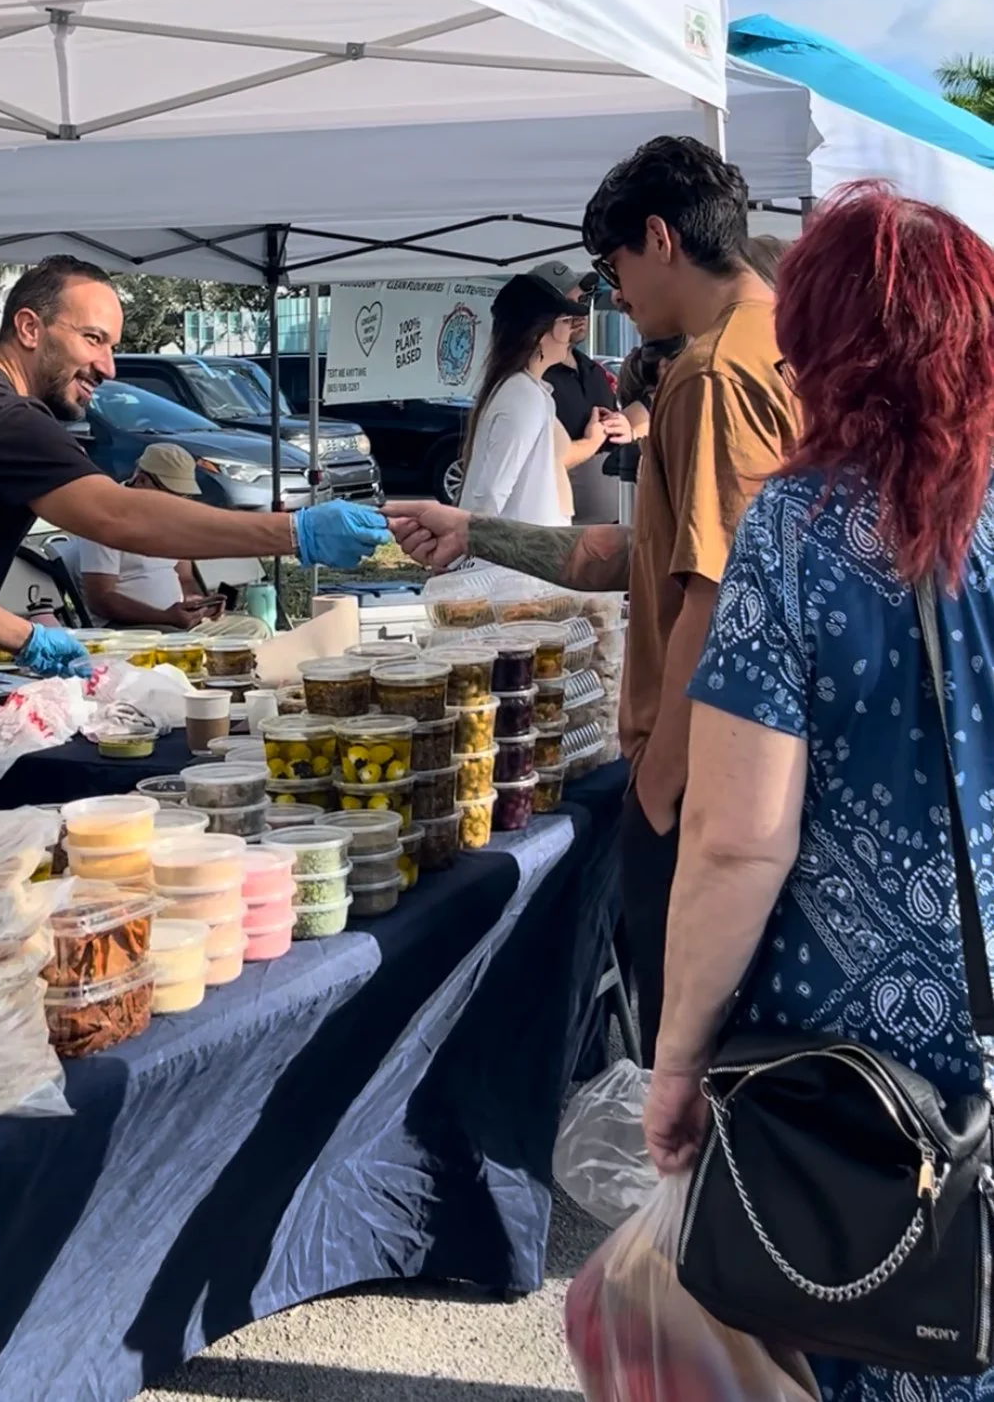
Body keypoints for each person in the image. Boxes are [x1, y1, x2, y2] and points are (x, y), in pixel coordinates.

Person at [643, 186, 994, 1402]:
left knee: (886, 1334)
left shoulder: (797, 528)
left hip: (856, 1072)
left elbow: (739, 840)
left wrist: (677, 1062)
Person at [392, 136, 798, 1059]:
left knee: (688, 1072)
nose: (613, 295)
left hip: (705, 780)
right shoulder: (786, 346)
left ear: (658, 238)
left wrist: (655, 786)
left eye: (614, 266)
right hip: (764, 764)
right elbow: (640, 553)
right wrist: (475, 529)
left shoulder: (708, 375)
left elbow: (714, 592)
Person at [0, 256, 386, 785]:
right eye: (92, 339)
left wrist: (24, 638)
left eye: (113, 346)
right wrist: (295, 532)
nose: (107, 367)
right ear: (29, 328)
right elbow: (114, 514)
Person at [459, 272, 604, 526]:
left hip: (530, 552)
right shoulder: (521, 395)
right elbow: (491, 496)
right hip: (518, 558)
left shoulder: (529, 390)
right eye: (565, 321)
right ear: (537, 334)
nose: (571, 331)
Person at [79, 444, 224, 628]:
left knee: (253, 629)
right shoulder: (105, 518)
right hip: (130, 628)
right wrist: (165, 617)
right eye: (171, 494)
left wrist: (199, 604)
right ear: (141, 481)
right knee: (181, 641)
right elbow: (101, 600)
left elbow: (185, 578)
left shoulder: (174, 518)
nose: (177, 503)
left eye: (183, 496)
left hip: (176, 622)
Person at [529, 260, 628, 522]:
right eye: (568, 305)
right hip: (560, 536)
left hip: (612, 528)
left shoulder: (593, 371)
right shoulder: (532, 381)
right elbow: (534, 464)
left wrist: (623, 426)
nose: (581, 312)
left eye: (583, 300)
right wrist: (590, 442)